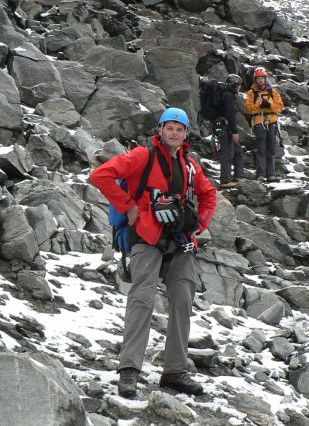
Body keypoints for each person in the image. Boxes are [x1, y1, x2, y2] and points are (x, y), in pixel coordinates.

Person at [91, 108, 218, 398]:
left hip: (181, 241)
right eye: (169, 127)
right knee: (142, 298)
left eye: (180, 128)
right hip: (146, 238)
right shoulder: (142, 157)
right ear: (160, 130)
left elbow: (209, 194)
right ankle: (129, 370)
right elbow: (101, 175)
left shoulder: (189, 166)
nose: (174, 132)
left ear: (186, 134)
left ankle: (174, 372)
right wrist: (130, 206)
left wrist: (203, 223)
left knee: (183, 300)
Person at [245, 67, 284, 182]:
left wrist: (269, 106)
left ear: (265, 79)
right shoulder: (251, 93)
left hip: (271, 121)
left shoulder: (273, 92)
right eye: (258, 79)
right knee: (261, 148)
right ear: (255, 80)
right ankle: (261, 174)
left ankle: (271, 174)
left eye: (262, 78)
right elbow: (248, 109)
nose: (260, 81)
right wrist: (259, 106)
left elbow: (280, 107)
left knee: (271, 148)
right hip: (259, 121)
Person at [218, 74, 245, 188]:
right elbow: (230, 115)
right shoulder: (228, 96)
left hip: (225, 126)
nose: (239, 88)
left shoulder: (227, 94)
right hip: (225, 127)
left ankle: (239, 176)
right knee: (228, 152)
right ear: (234, 85)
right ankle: (225, 180)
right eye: (238, 85)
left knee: (237, 150)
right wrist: (234, 132)